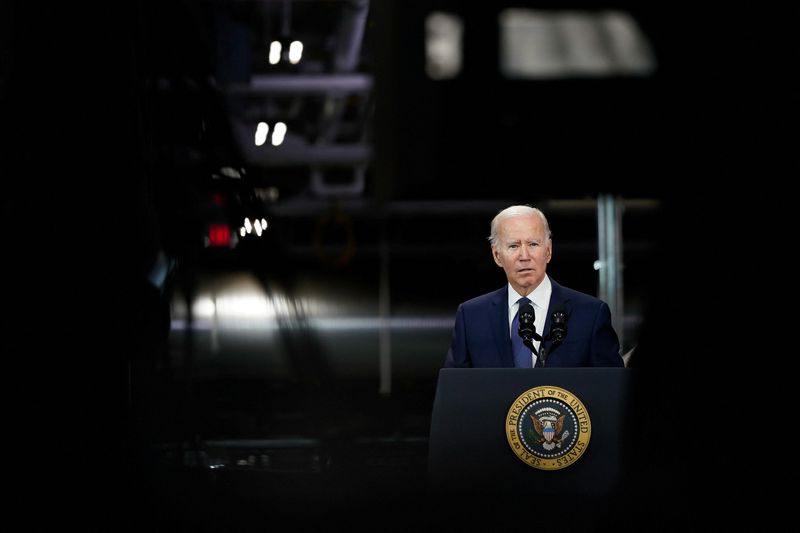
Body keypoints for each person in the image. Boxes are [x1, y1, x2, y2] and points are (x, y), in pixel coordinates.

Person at [444, 205, 623, 368]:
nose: (524, 256)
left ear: (548, 250)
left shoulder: (591, 314)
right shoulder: (471, 316)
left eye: (533, 244)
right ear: (497, 255)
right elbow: (454, 392)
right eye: (513, 246)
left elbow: (612, 392)